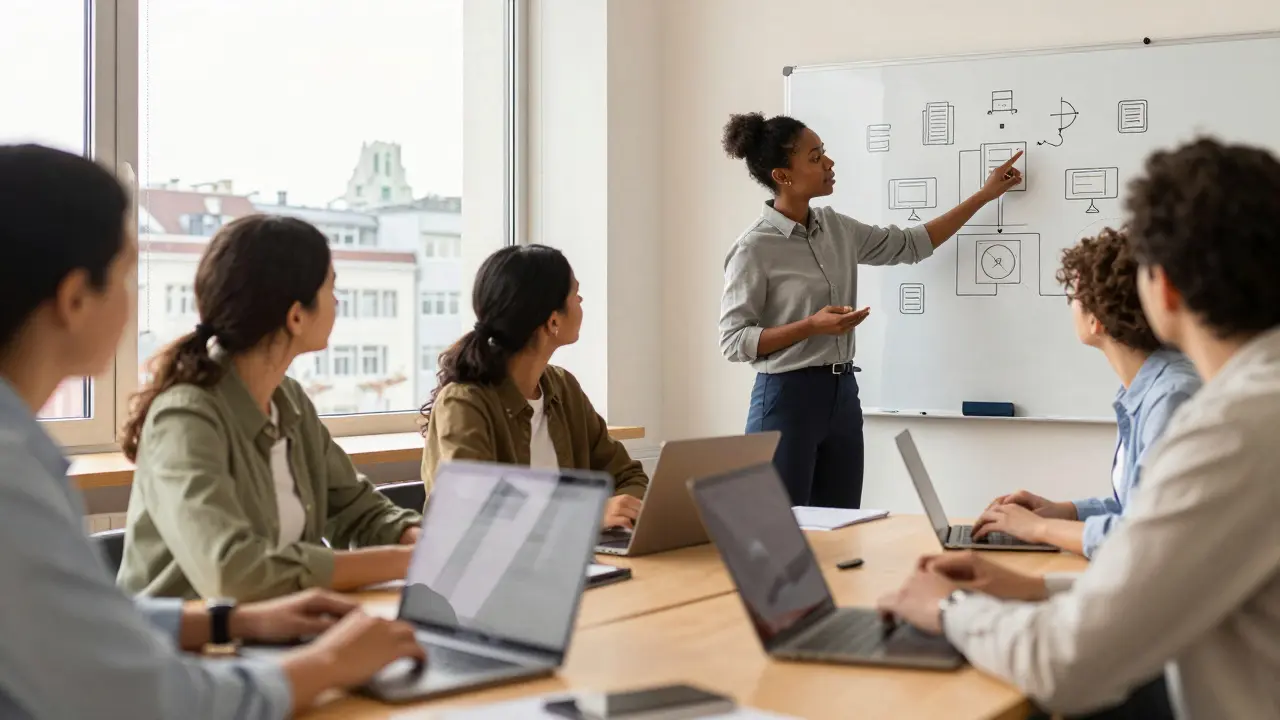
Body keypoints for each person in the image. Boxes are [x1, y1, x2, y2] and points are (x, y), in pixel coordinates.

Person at [0, 143, 424, 718]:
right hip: (211, 676)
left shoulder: (289, 401)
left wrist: (228, 620)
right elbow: (143, 692)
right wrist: (325, 664)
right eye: (128, 275)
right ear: (75, 298)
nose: (137, 300)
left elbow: (69, 622)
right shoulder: (19, 469)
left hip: (231, 647)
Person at [877, 138, 1280, 719]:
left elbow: (1064, 664)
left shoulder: (1232, 429)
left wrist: (947, 609)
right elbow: (1171, 579)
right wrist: (1036, 588)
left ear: (1161, 287)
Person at [718, 112, 1023, 508]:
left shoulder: (836, 228)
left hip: (842, 394)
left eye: (824, 153)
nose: (828, 164)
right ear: (783, 176)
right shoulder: (754, 248)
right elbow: (733, 341)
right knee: (777, 533)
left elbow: (913, 244)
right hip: (785, 398)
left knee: (841, 526)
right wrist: (811, 326)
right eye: (814, 158)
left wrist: (985, 195)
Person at [118, 214, 422, 602]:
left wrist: (419, 543)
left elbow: (357, 510)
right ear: (296, 316)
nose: (338, 301)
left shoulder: (289, 400)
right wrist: (402, 562)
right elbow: (232, 573)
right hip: (185, 654)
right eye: (332, 288)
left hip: (278, 634)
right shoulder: (184, 418)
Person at [970, 227, 1201, 557]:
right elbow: (1132, 508)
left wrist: (1039, 528)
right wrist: (1065, 511)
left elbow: (1144, 535)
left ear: (1098, 321)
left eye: (1074, 297)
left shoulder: (1172, 395)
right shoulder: (1148, 386)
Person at [420, 244, 648, 529]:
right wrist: (586, 516)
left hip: (571, 559)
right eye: (575, 294)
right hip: (489, 569)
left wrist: (622, 511)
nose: (581, 300)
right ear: (553, 320)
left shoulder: (563, 388)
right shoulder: (463, 403)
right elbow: (473, 513)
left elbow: (628, 476)